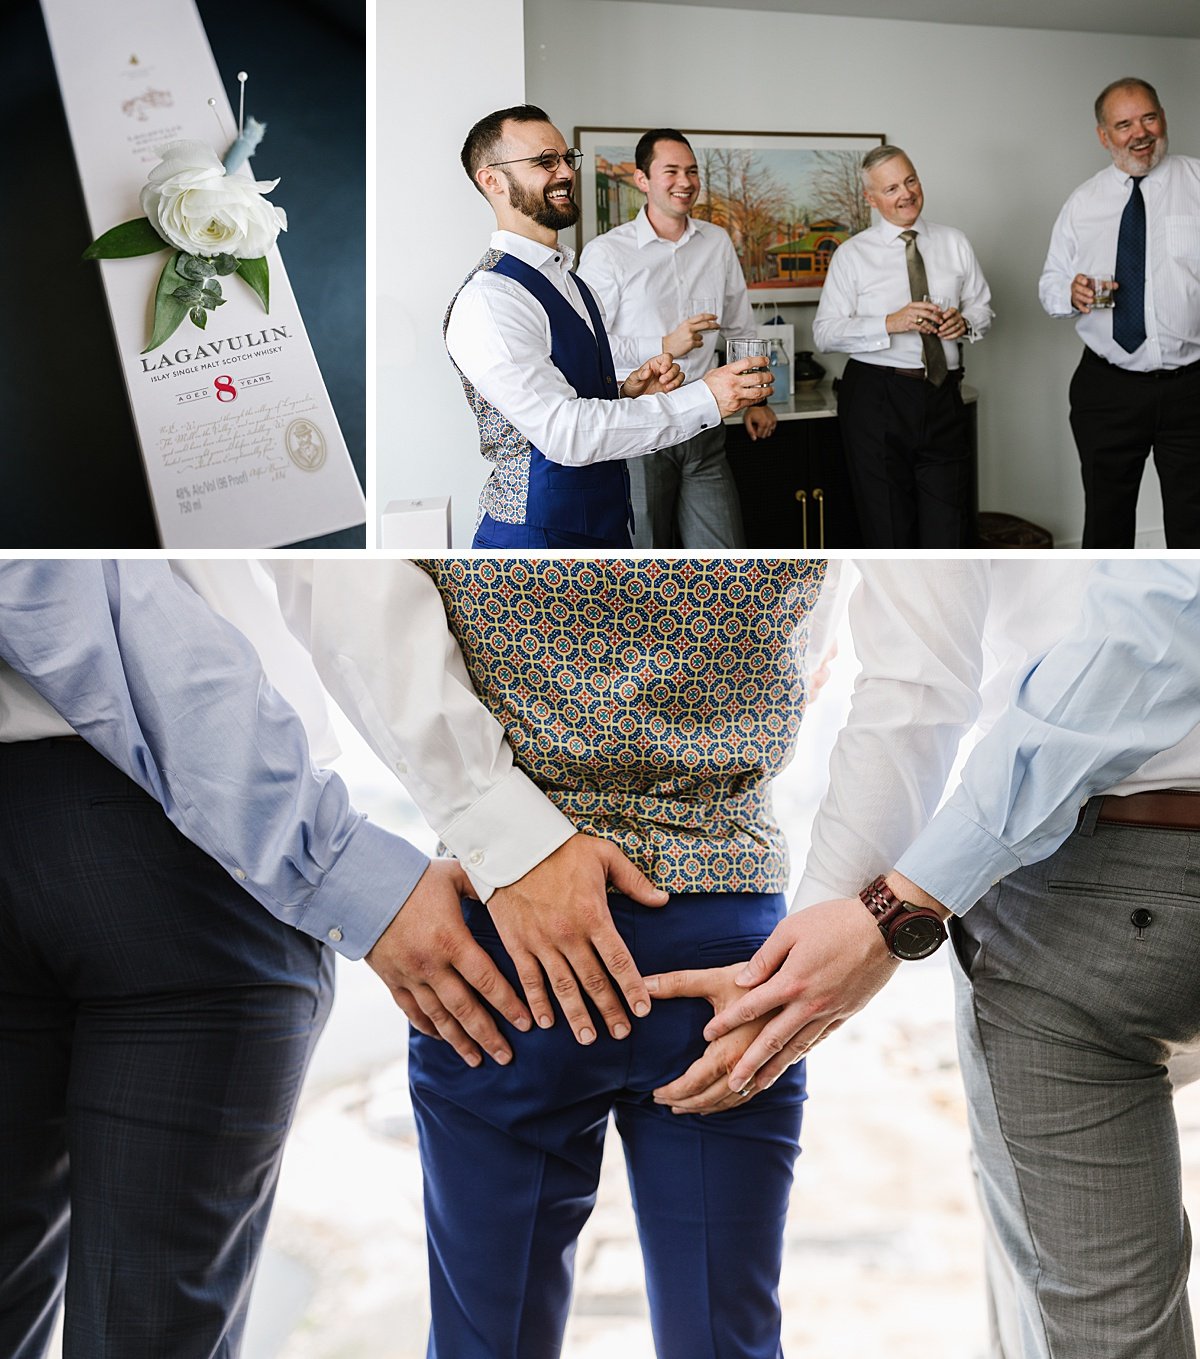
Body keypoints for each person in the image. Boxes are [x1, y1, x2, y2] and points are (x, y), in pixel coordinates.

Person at [267, 557, 852, 1358]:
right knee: (729, 1337)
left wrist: (501, 828)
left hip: (507, 947)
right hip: (724, 946)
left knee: (486, 1340)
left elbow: (357, 611)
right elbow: (814, 651)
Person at [653, 560, 1200, 1359]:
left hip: (1090, 902)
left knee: (1101, 1328)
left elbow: (917, 692)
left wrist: (877, 920)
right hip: (1097, 904)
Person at [0, 560, 531, 1359]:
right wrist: (339, 864)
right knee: (152, 1331)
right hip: (197, 850)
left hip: (179, 839)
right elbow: (75, 587)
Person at [448, 104, 768, 548]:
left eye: (565, 158)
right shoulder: (491, 299)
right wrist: (706, 397)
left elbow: (566, 393)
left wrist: (624, 391)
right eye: (545, 161)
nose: (564, 172)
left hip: (602, 524)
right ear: (492, 180)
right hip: (536, 544)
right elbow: (563, 432)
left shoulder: (571, 283)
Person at [578, 127, 776, 548]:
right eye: (671, 171)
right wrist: (664, 346)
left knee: (725, 556)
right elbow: (589, 347)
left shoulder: (717, 242)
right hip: (640, 422)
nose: (685, 182)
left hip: (706, 421)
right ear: (642, 180)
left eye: (691, 171)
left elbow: (741, 327)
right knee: (646, 554)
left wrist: (756, 401)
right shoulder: (606, 253)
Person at [1039, 77, 1200, 548]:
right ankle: (1106, 620)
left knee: (1195, 526)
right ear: (1104, 135)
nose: (1140, 132)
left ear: (1163, 117)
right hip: (1108, 388)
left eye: (1148, 117)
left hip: (1191, 388)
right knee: (1107, 524)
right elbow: (1049, 284)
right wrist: (1071, 294)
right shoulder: (1082, 204)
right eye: (1124, 124)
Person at [813, 145, 993, 548]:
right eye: (891, 187)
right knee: (890, 531)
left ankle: (943, 612)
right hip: (877, 398)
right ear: (871, 199)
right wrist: (890, 323)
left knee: (949, 531)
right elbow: (825, 334)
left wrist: (965, 323)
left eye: (910, 180)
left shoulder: (955, 242)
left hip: (943, 394)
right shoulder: (852, 255)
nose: (906, 193)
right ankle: (896, 613)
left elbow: (982, 308)